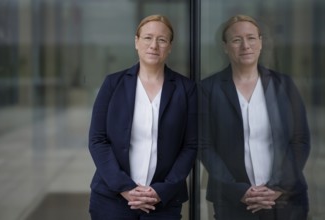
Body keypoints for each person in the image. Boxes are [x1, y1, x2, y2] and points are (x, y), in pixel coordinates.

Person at [200, 14, 310, 220]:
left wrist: (278, 187)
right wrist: (239, 191)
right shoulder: (208, 89)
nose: (245, 46)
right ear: (225, 46)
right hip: (233, 201)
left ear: (260, 42)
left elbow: (300, 140)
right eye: (236, 40)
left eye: (251, 38)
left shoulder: (284, 85)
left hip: (286, 199)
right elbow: (204, 146)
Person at [88, 14, 198, 220]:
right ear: (136, 42)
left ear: (170, 46)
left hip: (163, 203)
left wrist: (161, 191)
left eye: (162, 39)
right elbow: (97, 140)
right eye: (147, 38)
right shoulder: (113, 84)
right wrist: (125, 188)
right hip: (112, 200)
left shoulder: (186, 89)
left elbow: (190, 146)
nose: (154, 45)